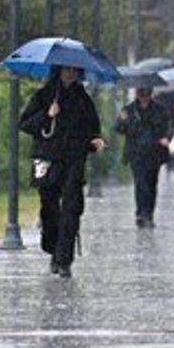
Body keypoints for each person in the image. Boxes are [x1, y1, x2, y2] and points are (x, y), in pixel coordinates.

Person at [18, 65, 105, 279]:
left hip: (74, 159)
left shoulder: (83, 100)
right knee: (49, 207)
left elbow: (93, 129)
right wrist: (47, 115)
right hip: (48, 158)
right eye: (67, 69)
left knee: (71, 207)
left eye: (75, 70)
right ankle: (53, 248)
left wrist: (96, 141)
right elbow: (26, 124)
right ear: (59, 71)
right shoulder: (43, 96)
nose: (71, 73)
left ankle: (64, 258)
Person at [115, 86, 173, 228]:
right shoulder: (128, 110)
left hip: (154, 151)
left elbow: (169, 126)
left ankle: (149, 213)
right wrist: (127, 124)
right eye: (141, 93)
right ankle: (142, 213)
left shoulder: (160, 109)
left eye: (146, 93)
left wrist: (166, 138)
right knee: (140, 183)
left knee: (151, 183)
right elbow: (118, 127)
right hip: (136, 152)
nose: (144, 97)